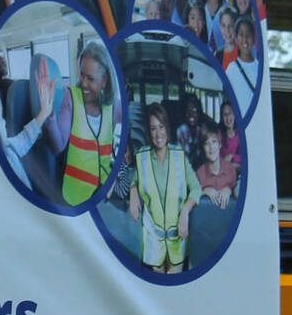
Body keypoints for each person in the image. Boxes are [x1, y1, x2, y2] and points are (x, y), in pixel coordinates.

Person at [127, 102, 200, 273]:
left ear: (167, 127)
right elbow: (135, 181)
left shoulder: (180, 156)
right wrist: (133, 190)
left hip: (178, 240)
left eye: (161, 126)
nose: (158, 133)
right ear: (148, 131)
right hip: (154, 242)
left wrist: (185, 213)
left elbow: (196, 188)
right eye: (153, 128)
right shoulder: (142, 158)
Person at [59, 39, 117, 205]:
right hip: (75, 197)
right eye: (82, 75)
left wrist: (116, 176)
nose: (83, 82)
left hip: (103, 197)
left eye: (90, 78)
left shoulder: (113, 108)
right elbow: (58, 144)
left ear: (104, 80)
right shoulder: (71, 97)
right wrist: (47, 117)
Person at [197, 95, 242, 209]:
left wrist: (232, 157)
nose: (228, 118)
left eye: (230, 113)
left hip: (234, 174)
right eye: (225, 115)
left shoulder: (242, 135)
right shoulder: (219, 134)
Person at [226, 16, 260, 118]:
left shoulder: (260, 69)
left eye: (248, 35)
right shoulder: (231, 69)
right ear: (236, 39)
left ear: (254, 39)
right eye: (241, 35)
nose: (245, 39)